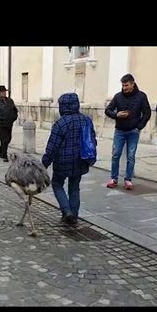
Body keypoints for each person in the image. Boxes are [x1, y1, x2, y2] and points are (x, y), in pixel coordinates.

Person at [42, 93, 97, 226]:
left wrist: (44, 163)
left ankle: (67, 212)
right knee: (74, 187)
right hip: (81, 160)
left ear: (63, 107)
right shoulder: (86, 120)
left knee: (57, 184)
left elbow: (52, 146)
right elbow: (92, 139)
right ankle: (74, 215)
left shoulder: (61, 123)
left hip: (62, 161)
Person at [105, 74, 151, 190]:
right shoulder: (118, 96)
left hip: (133, 131)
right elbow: (108, 110)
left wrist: (139, 126)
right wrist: (117, 115)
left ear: (132, 84)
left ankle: (128, 179)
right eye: (123, 85)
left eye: (126, 85)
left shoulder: (141, 96)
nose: (124, 88)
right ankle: (114, 178)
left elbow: (147, 113)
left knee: (131, 156)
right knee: (116, 155)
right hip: (120, 130)